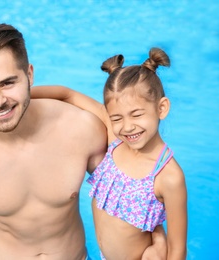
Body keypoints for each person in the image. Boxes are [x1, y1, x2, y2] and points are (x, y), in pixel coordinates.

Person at [0, 23, 107, 260]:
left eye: (7, 83)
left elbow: (132, 189)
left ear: (29, 75)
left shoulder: (81, 128)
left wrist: (155, 240)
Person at [31, 48, 187, 259]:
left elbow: (177, 250)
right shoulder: (115, 142)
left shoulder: (168, 176)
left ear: (162, 108)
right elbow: (66, 94)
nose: (127, 127)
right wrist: (13, 101)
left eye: (137, 114)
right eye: (116, 118)